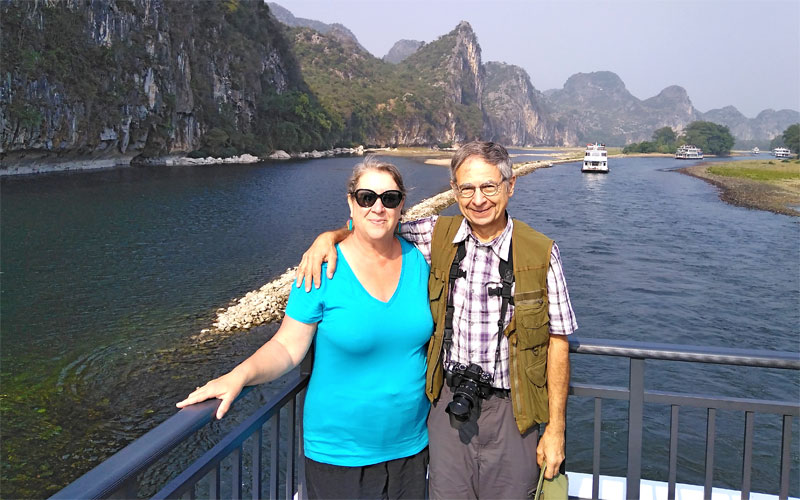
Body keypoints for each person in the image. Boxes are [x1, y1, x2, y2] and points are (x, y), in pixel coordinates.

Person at [297, 141, 577, 499]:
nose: (478, 199)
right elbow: (377, 223)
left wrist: (555, 429)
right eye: (467, 188)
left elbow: (558, 342)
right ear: (454, 191)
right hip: (448, 409)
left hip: (514, 412)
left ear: (510, 186)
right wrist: (329, 237)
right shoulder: (437, 236)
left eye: (489, 187)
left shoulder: (541, 253)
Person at [177, 157, 433, 500]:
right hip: (340, 452)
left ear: (401, 205)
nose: (378, 207)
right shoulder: (322, 267)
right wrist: (239, 375)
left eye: (389, 198)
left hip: (411, 446)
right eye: (366, 197)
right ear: (351, 203)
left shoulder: (420, 260)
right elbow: (287, 346)